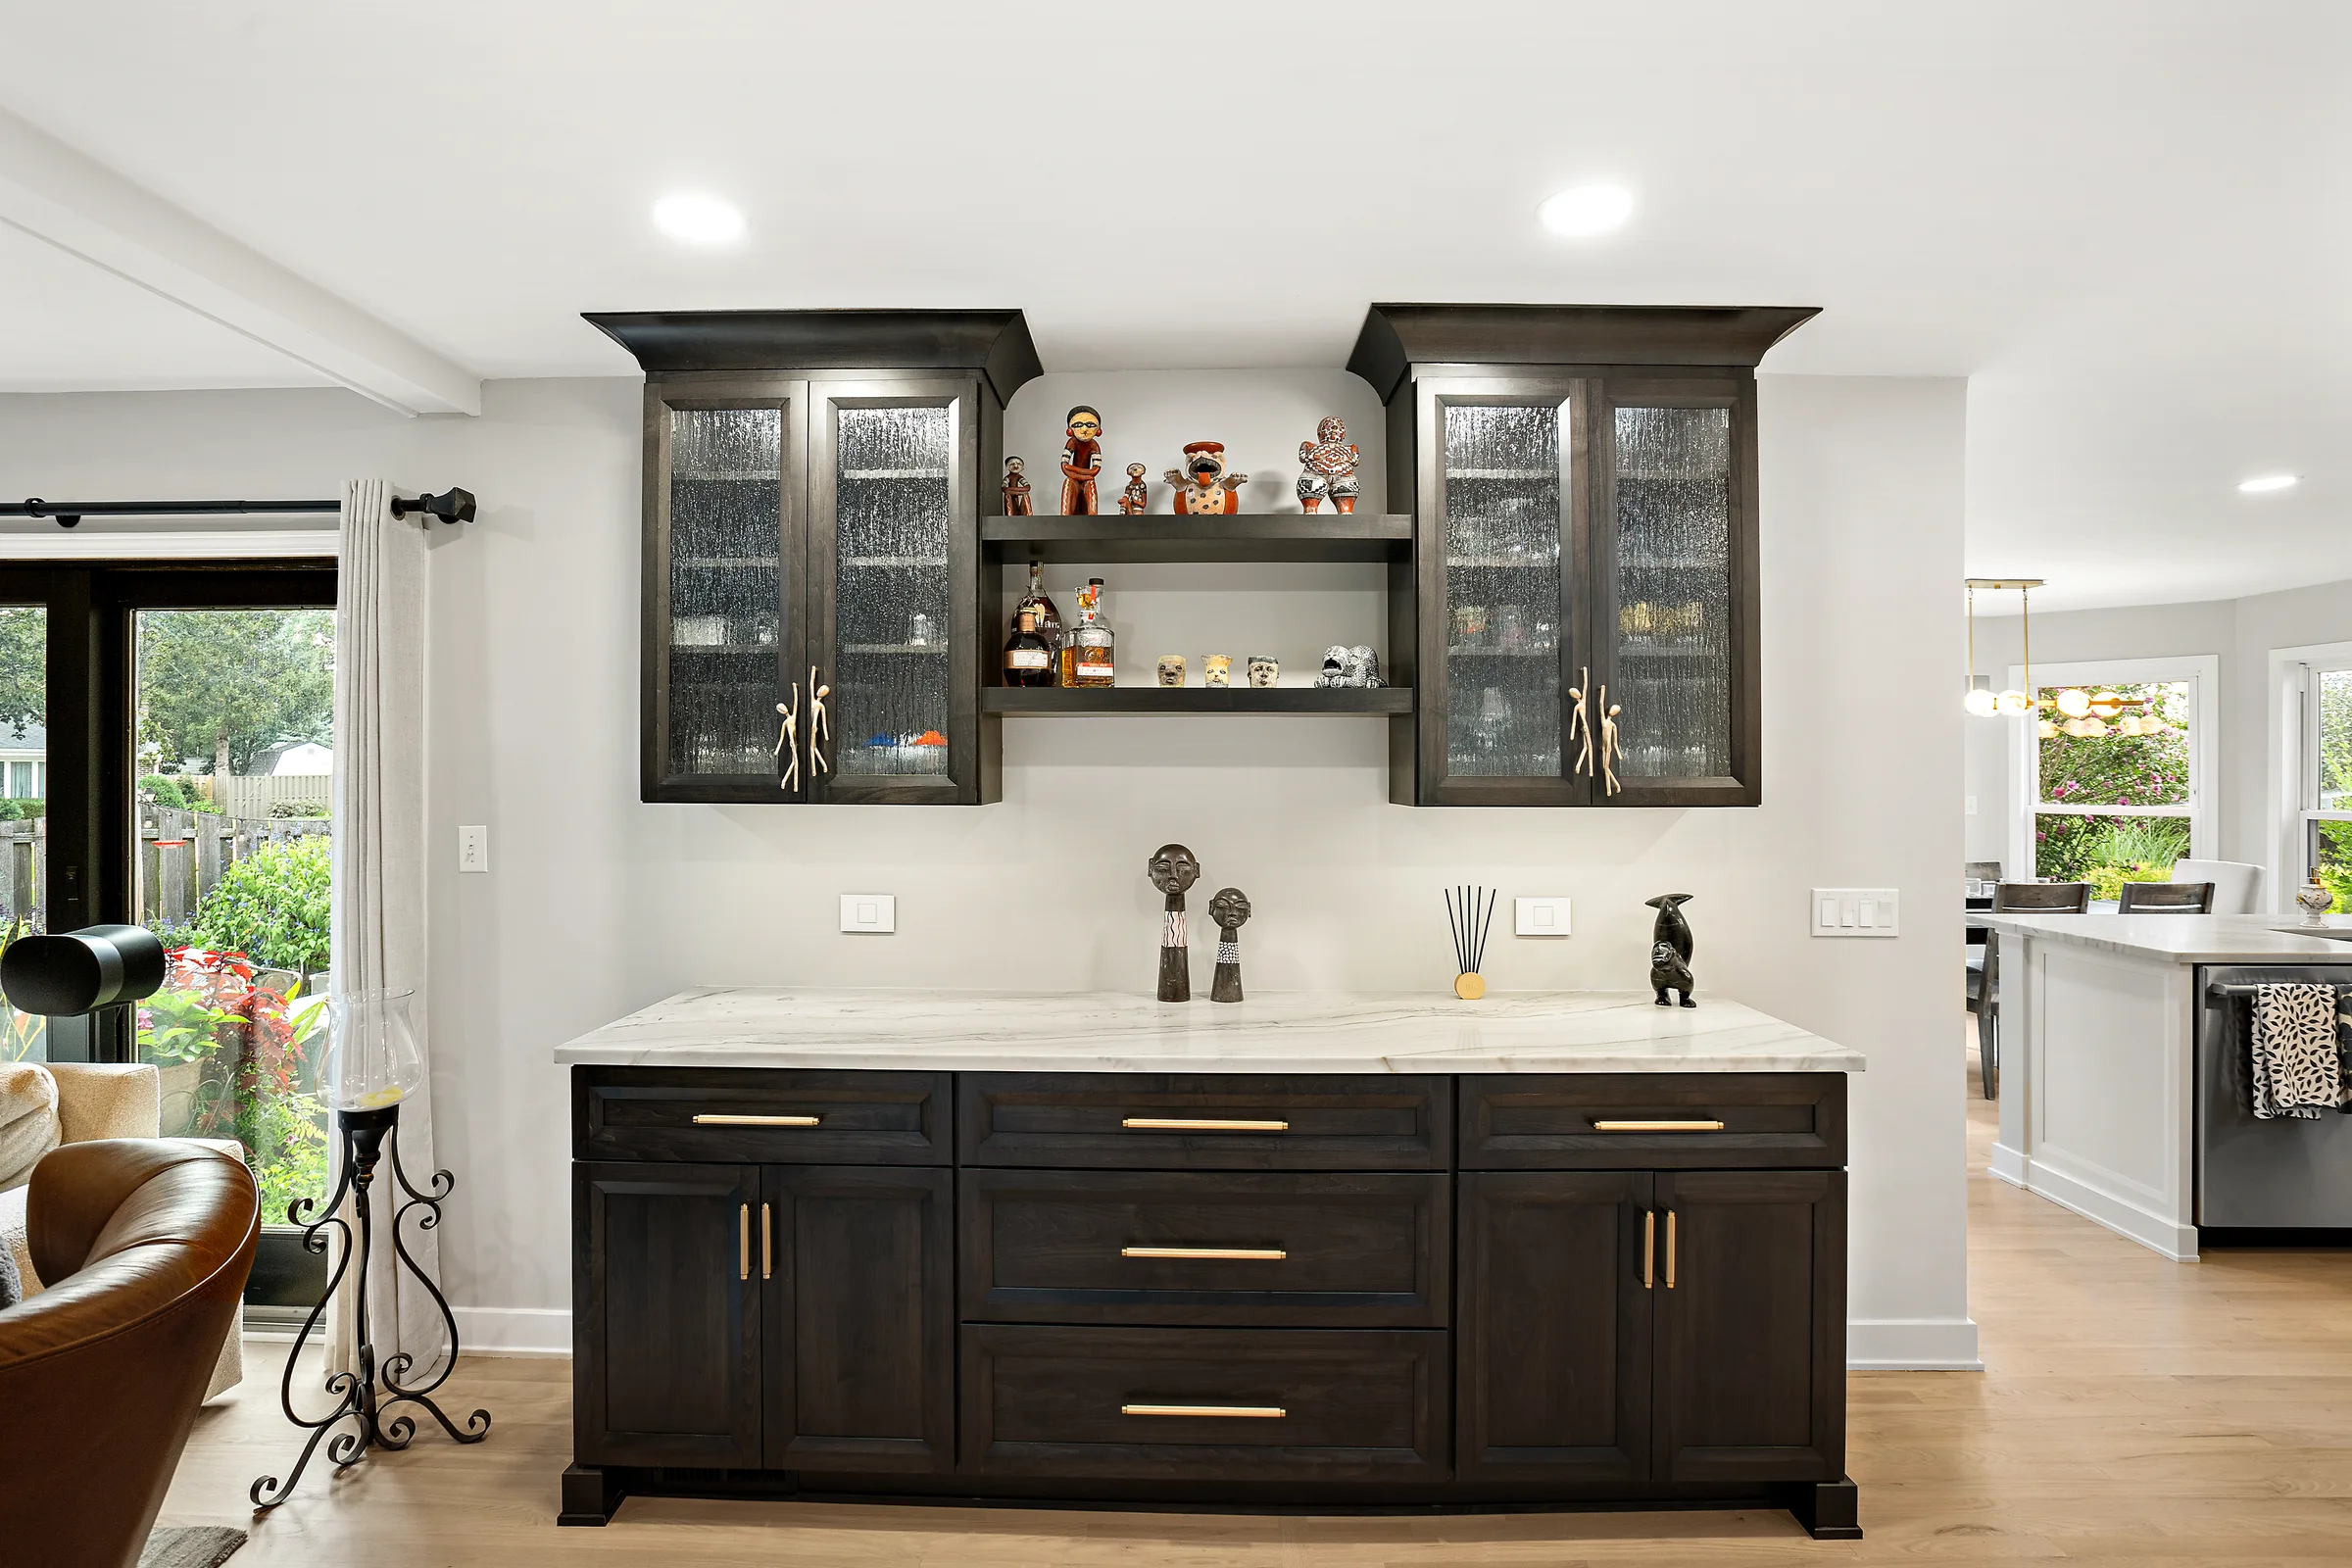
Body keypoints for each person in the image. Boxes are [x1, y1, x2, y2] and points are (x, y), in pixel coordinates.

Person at [1059, 406, 1103, 514]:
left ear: (1098, 430)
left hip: (1086, 480)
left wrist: (1073, 469)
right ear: (1070, 429)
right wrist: (1086, 474)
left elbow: (1096, 470)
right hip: (1077, 478)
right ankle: (1065, 517)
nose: (1084, 430)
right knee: (1069, 482)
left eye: (1090, 425)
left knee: (1090, 485)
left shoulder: (1094, 445)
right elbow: (1064, 467)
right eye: (1078, 425)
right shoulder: (1072, 442)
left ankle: (1092, 518)